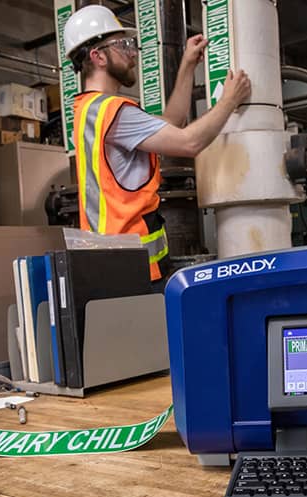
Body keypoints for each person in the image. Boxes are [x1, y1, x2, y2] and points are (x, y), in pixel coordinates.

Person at [63, 5, 251, 291]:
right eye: (123, 45)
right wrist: (229, 100)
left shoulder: (91, 109)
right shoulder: (114, 112)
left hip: (114, 266)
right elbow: (189, 142)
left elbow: (172, 122)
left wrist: (187, 64)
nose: (133, 53)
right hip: (130, 272)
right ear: (97, 56)